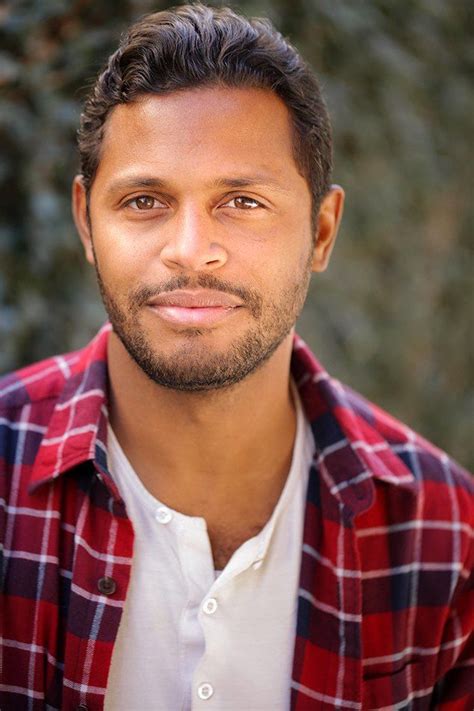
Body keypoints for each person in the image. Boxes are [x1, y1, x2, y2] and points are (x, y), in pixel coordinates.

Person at [0, 4, 472, 710]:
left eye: (243, 201)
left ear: (321, 231)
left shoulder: (443, 535)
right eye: (145, 200)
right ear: (86, 222)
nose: (191, 248)